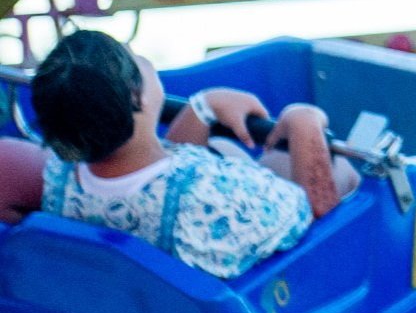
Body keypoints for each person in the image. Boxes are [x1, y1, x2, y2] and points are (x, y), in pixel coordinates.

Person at [29, 30, 357, 279]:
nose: (143, 59)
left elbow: (159, 174)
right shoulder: (215, 194)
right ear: (135, 96)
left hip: (142, 310)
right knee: (342, 170)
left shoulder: (60, 182)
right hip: (270, 305)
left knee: (235, 152)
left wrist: (202, 108)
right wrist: (304, 122)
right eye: (134, 57)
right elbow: (319, 226)